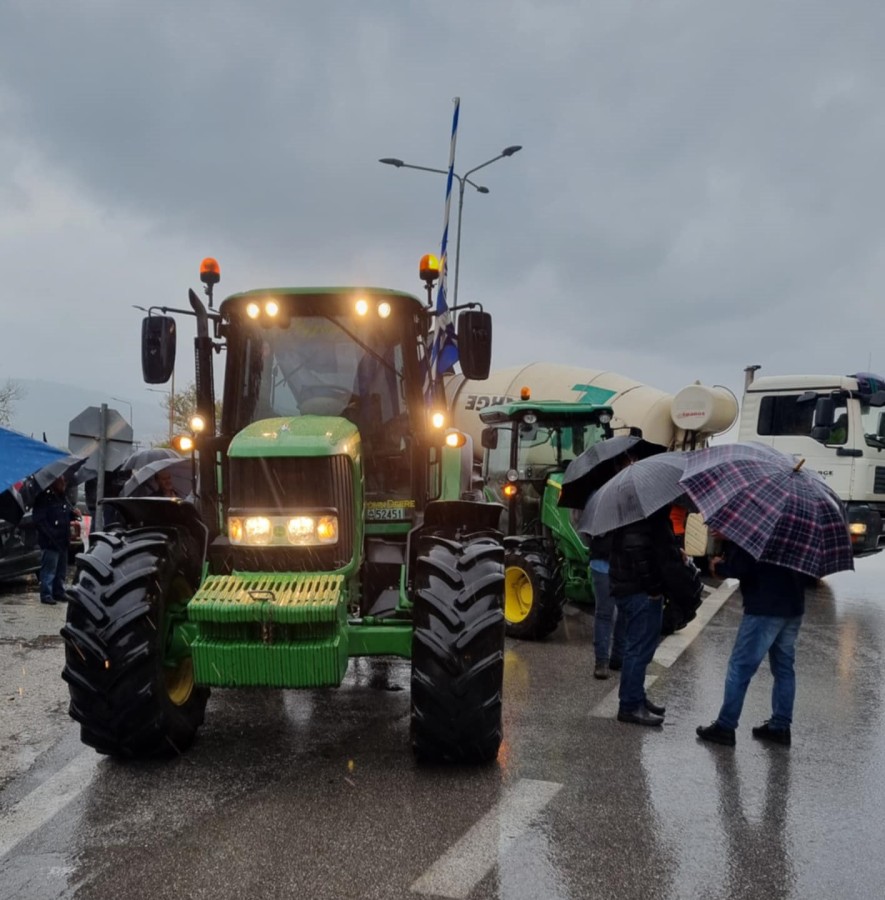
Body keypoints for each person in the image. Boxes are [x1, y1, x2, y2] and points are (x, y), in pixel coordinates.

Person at [696, 540, 812, 747]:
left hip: (764, 606)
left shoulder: (758, 530)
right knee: (784, 668)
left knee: (740, 667)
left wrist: (719, 566)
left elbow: (742, 567)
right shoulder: (798, 531)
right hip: (793, 605)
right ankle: (780, 726)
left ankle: (725, 726)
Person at [609, 505, 703, 726]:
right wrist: (653, 589)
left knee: (640, 648)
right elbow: (642, 555)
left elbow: (655, 548)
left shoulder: (636, 513)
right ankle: (630, 705)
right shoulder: (641, 517)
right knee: (638, 649)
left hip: (635, 589)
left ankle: (636, 696)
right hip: (640, 591)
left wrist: (675, 553)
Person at [31, 475, 80, 606]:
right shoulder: (44, 498)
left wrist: (73, 514)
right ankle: (46, 594)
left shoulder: (62, 497)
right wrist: (50, 535)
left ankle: (59, 591)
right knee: (49, 569)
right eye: (62, 480)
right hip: (51, 541)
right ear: (54, 482)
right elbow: (39, 520)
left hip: (62, 540)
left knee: (61, 569)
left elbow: (64, 513)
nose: (64, 483)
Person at [589, 531, 627, 680]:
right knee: (612, 612)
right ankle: (611, 658)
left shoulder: (598, 516)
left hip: (606, 561)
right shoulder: (628, 517)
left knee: (609, 612)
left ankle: (605, 661)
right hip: (616, 562)